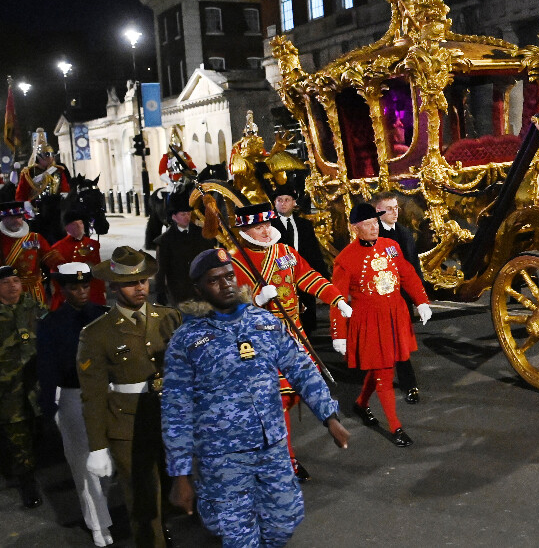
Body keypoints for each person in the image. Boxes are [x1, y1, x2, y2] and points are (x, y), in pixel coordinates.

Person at [162, 248, 350, 548]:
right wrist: (181, 472)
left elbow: (301, 368)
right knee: (239, 535)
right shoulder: (187, 341)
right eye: (214, 280)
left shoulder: (264, 322)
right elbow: (176, 410)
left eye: (228, 276)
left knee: (286, 517)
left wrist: (329, 417)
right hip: (224, 456)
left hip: (271, 446)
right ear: (199, 289)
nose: (226, 285)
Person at [228, 201, 352, 481]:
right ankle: (287, 459)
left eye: (267, 224)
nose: (265, 230)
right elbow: (225, 310)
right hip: (262, 344)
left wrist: (336, 298)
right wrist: (255, 301)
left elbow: (309, 278)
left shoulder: (285, 252)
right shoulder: (234, 263)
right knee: (278, 402)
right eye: (258, 226)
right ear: (245, 229)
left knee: (301, 393)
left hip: (294, 336)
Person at [79, 247, 183, 548]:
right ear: (113, 287)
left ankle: (164, 530)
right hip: (130, 426)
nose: (140, 288)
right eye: (130, 283)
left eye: (143, 281)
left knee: (173, 488)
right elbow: (94, 394)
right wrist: (97, 446)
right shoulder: (97, 333)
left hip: (169, 418)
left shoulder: (169, 317)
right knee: (143, 501)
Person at [331, 202, 432, 447]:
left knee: (381, 367)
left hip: (394, 316)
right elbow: (337, 300)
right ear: (355, 228)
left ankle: (360, 404)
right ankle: (396, 427)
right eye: (368, 224)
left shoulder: (391, 246)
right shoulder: (345, 259)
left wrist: (421, 302)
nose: (374, 228)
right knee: (384, 372)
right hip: (369, 321)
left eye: (375, 223)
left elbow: (407, 274)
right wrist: (339, 335)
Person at [37, 263, 112, 545]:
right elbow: (47, 369)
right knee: (84, 466)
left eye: (84, 287)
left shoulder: (104, 316)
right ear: (63, 289)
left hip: (105, 394)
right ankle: (97, 524)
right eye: (74, 287)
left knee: (109, 466)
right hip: (73, 396)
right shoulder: (50, 323)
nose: (81, 292)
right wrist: (50, 408)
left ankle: (101, 512)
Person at [371, 191, 424, 404]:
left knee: (401, 342)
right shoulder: (371, 235)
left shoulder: (405, 232)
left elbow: (413, 267)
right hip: (381, 299)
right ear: (378, 211)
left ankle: (408, 383)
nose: (395, 212)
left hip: (402, 299)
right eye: (390, 208)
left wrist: (419, 299)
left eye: (396, 207)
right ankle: (388, 381)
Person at [0, 264, 45, 509]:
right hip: (8, 392)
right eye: (6, 282)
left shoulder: (35, 308)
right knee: (18, 440)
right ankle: (27, 483)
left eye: (15, 281)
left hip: (36, 388)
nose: (13, 286)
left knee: (37, 433)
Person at [270, 184, 328, 333]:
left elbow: (314, 252)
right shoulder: (269, 227)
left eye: (287, 200)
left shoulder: (304, 225)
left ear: (293, 203)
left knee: (306, 321)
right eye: (279, 200)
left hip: (303, 276)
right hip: (280, 278)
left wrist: (323, 279)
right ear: (275, 203)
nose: (283, 203)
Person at [154, 192, 215, 306]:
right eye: (183, 214)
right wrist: (160, 290)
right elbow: (161, 268)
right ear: (174, 217)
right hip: (179, 290)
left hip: (201, 289)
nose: (187, 217)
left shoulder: (201, 234)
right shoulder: (165, 241)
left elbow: (210, 258)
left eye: (188, 213)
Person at [0, 200, 64, 306]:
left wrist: (62, 266)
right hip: (6, 290)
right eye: (12, 218)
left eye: (19, 217)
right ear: (3, 218)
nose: (17, 221)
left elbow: (49, 255)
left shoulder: (34, 237)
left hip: (33, 290)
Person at [49, 209, 106, 308]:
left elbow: (98, 270)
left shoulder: (93, 244)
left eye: (81, 223)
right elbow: (56, 277)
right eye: (75, 224)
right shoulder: (57, 248)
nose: (80, 226)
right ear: (67, 227)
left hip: (91, 293)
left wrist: (102, 291)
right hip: (70, 293)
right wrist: (62, 296)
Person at [15, 131, 71, 202]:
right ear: (39, 157)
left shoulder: (58, 170)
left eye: (51, 155)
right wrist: (26, 204)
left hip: (55, 205)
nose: (50, 158)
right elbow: (21, 194)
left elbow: (65, 188)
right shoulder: (28, 173)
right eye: (47, 155)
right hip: (34, 207)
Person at [157, 126, 196, 192]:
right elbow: (162, 172)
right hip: (173, 181)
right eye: (175, 145)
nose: (177, 147)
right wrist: (169, 181)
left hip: (187, 180)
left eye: (178, 145)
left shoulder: (185, 155)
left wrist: (194, 172)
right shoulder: (167, 157)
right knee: (171, 193)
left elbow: (193, 167)